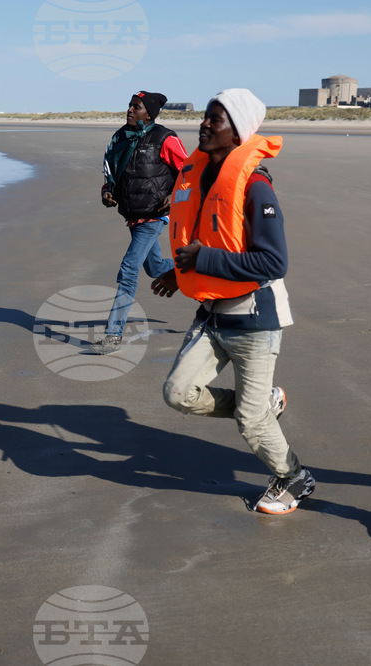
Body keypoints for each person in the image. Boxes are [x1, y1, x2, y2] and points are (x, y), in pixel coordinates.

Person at [151, 89, 311, 515]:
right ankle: (263, 403)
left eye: (215, 120)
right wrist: (179, 270)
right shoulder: (200, 176)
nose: (204, 124)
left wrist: (203, 258)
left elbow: (273, 262)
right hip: (212, 314)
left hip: (255, 319)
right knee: (178, 393)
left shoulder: (256, 187)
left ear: (237, 133)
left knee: (251, 422)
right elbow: (207, 237)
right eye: (205, 116)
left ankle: (293, 477)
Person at [90, 91, 188, 354]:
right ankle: (194, 268)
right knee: (156, 268)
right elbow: (111, 172)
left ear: (150, 113)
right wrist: (106, 192)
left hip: (155, 215)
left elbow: (189, 172)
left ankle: (113, 336)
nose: (130, 110)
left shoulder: (165, 138)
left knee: (129, 269)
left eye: (137, 107)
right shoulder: (120, 137)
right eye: (130, 105)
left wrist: (173, 196)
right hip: (133, 216)